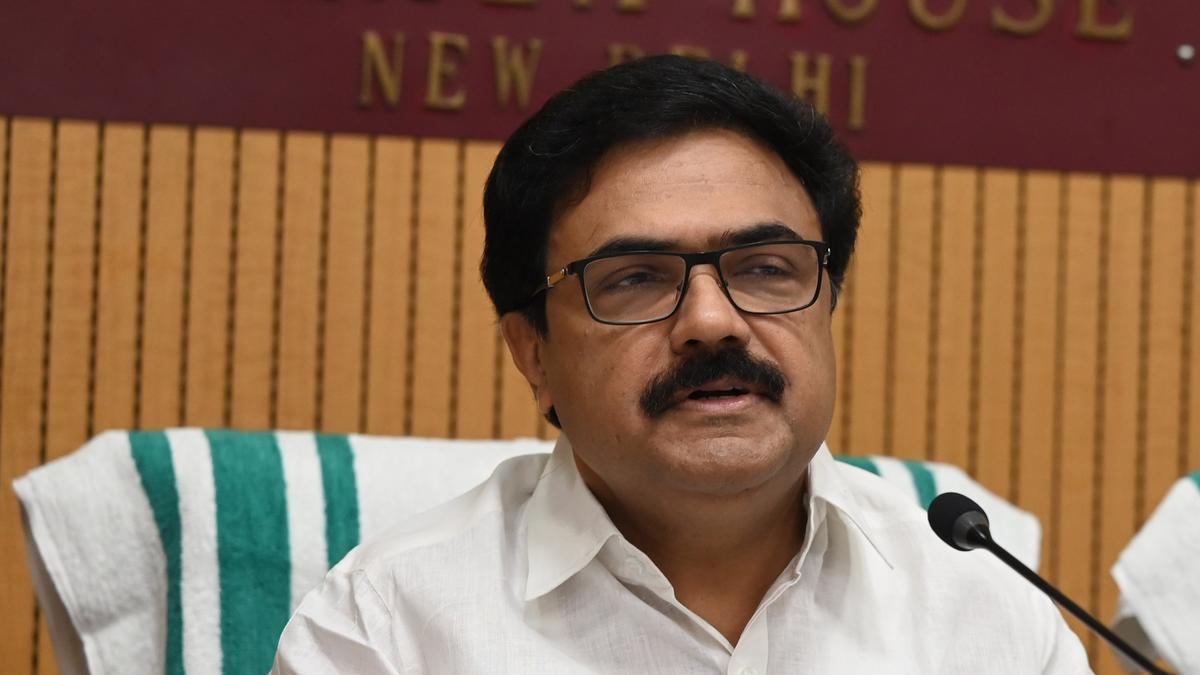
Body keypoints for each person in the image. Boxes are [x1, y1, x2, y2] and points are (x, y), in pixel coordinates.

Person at [272, 55, 1090, 673]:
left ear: (827, 304)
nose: (712, 322)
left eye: (765, 268)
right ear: (533, 354)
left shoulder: (986, 616)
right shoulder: (388, 631)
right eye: (634, 278)